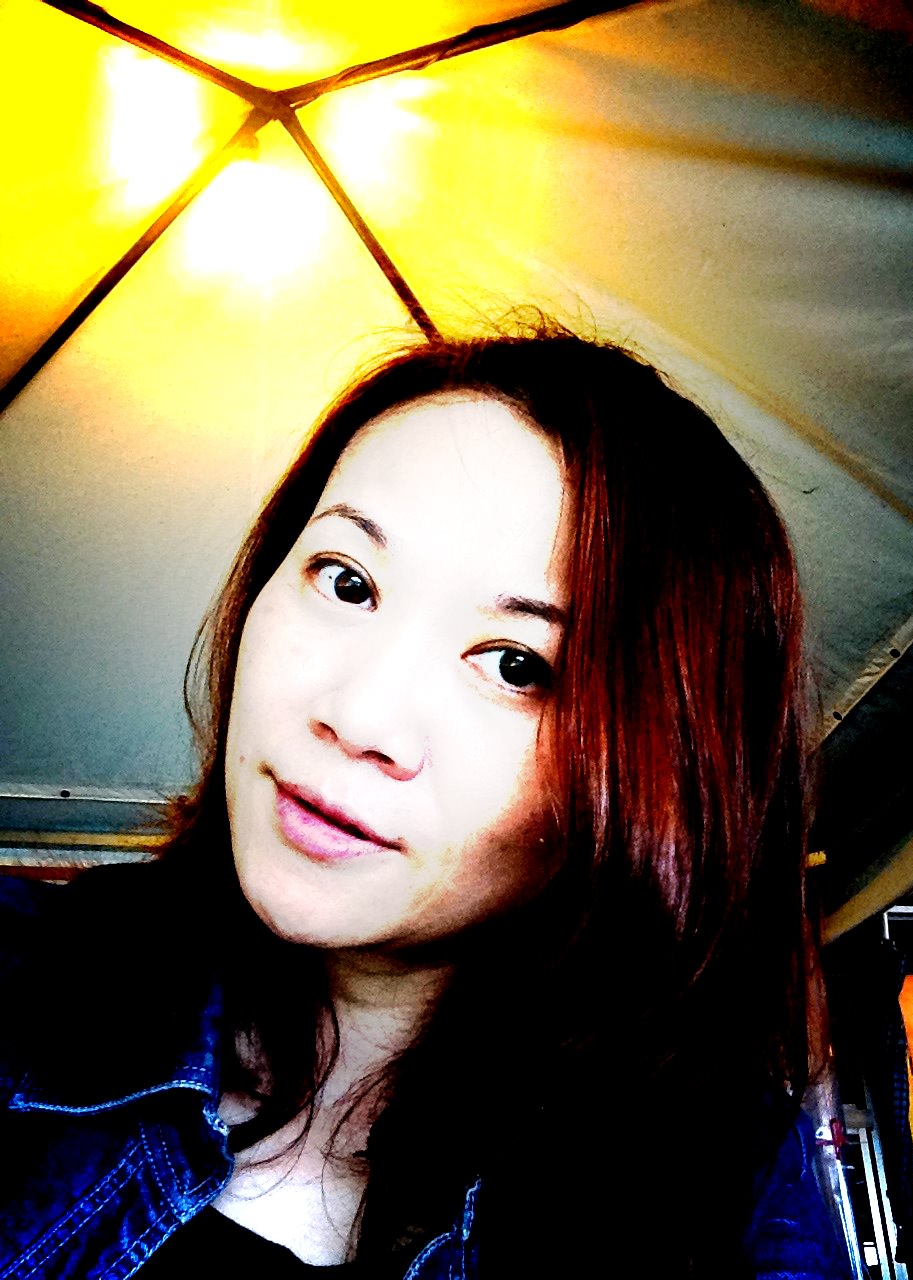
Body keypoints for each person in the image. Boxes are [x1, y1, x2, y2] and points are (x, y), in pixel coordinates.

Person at [0, 321, 851, 1278]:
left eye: (517, 664)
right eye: (346, 582)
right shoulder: (22, 984)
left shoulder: (720, 1203)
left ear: (664, 771)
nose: (357, 715)